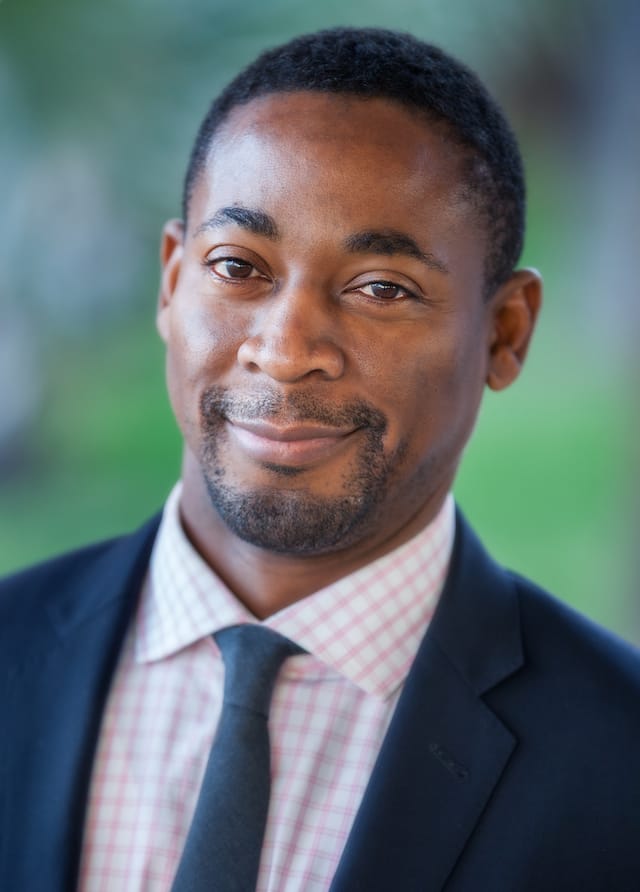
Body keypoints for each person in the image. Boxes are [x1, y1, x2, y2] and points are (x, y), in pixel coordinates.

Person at [1, 26, 639, 892]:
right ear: (172, 282)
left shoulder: (619, 761)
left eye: (381, 288)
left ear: (505, 332)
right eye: (238, 266)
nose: (287, 349)